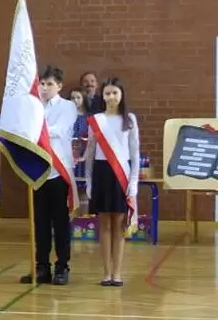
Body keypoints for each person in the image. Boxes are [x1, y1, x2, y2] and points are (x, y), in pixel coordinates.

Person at [20, 66, 78, 285]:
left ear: (59, 86)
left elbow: (58, 130)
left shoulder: (67, 106)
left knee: (60, 223)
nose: (44, 88)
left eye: (49, 84)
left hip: (58, 172)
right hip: (38, 172)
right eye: (42, 84)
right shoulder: (33, 106)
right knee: (40, 222)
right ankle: (42, 266)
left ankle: (62, 266)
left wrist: (34, 130)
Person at [84, 78, 140, 286]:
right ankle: (106, 273)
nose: (111, 97)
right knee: (104, 225)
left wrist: (133, 182)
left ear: (121, 95)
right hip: (101, 173)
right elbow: (90, 152)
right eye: (107, 93)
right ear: (103, 96)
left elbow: (135, 153)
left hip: (121, 174)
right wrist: (89, 181)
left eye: (115, 92)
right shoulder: (96, 120)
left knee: (119, 225)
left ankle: (117, 273)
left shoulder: (130, 119)